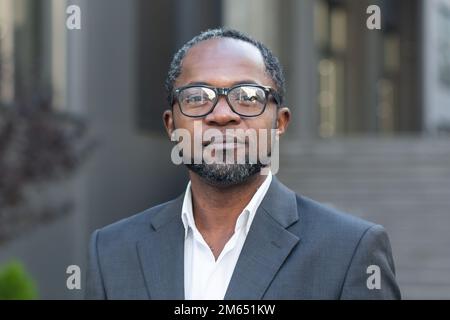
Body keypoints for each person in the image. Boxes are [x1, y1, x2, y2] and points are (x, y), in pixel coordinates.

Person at [85, 28, 401, 299]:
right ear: (171, 125)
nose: (222, 114)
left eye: (247, 96)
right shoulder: (111, 251)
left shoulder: (350, 251)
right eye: (197, 97)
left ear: (280, 121)